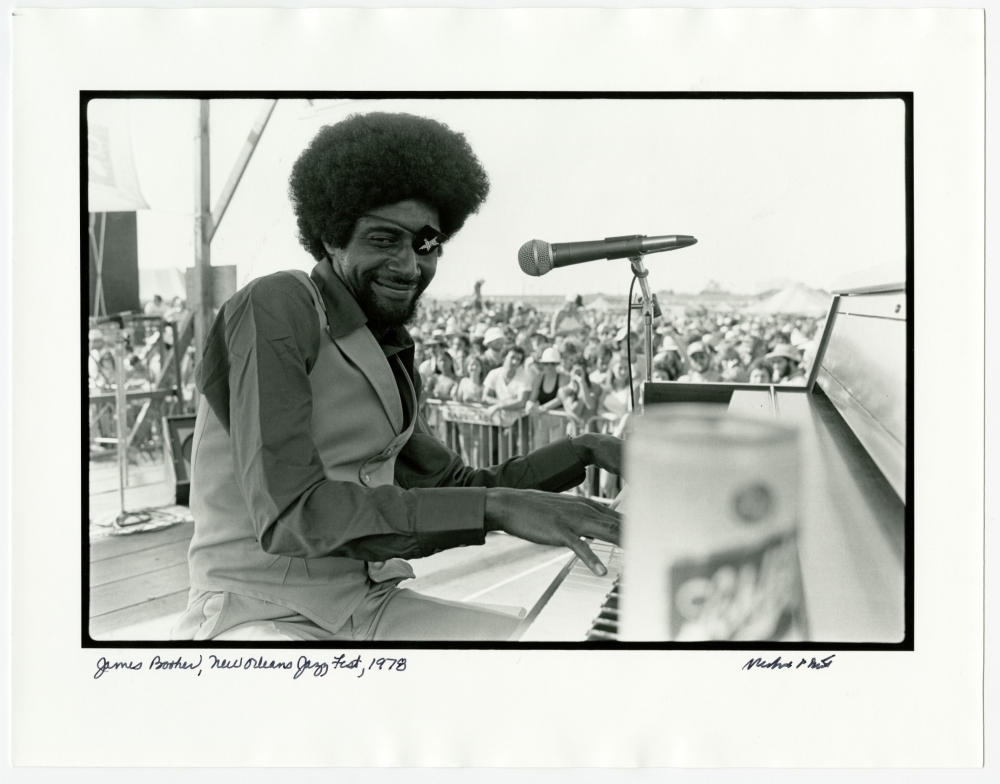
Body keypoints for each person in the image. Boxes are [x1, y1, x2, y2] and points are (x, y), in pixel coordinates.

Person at [171, 112, 622, 643]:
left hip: (369, 607)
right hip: (257, 614)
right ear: (331, 238)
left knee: (554, 652)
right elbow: (293, 513)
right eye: (384, 240)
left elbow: (456, 487)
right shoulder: (275, 304)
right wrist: (497, 508)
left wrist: (584, 450)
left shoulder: (386, 345)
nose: (410, 266)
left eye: (426, 245)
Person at [482, 345, 533, 415]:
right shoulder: (493, 373)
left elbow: (521, 402)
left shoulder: (525, 377)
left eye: (518, 359)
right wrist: (504, 404)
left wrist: (498, 406)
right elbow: (486, 397)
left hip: (519, 420)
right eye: (512, 357)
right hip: (498, 419)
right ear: (504, 357)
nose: (515, 361)